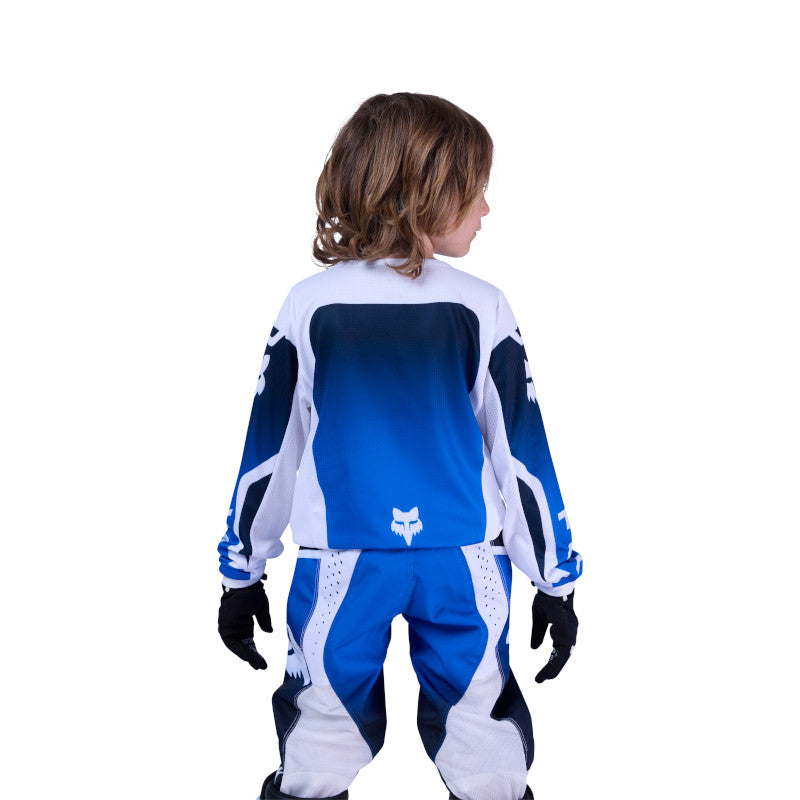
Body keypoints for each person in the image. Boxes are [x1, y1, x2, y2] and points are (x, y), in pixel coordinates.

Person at [217, 92, 582, 800]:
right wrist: (555, 579)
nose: (487, 208)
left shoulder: (310, 305)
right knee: (484, 746)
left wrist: (241, 571)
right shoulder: (481, 306)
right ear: (425, 191)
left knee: (320, 741)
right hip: (464, 563)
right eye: (474, 188)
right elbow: (522, 456)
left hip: (341, 564)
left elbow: (268, 453)